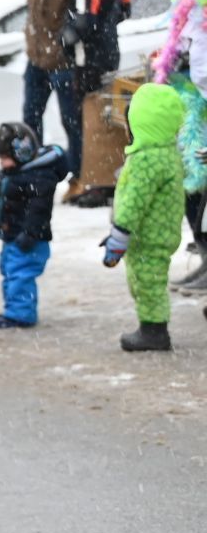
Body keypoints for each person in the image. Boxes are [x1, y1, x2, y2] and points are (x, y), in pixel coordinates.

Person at [101, 82, 186, 352]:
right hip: (157, 232)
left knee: (148, 283)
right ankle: (151, 325)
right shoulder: (167, 154)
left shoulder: (147, 159)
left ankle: (154, 332)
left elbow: (134, 202)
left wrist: (119, 233)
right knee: (147, 280)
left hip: (147, 234)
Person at [64, 0, 130, 203]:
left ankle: (98, 181)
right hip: (109, 49)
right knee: (104, 114)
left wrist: (69, 35)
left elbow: (87, 18)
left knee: (90, 117)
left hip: (89, 55)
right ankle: (105, 179)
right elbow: (125, 8)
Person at [0, 121, 68, 329]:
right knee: (9, 272)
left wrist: (30, 234)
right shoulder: (13, 174)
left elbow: (39, 212)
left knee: (20, 275)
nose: (2, 163)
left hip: (29, 240)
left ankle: (21, 315)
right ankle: (15, 309)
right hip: (12, 236)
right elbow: (0, 204)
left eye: (5, 158)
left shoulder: (39, 178)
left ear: (22, 153)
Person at [21, 0, 78, 180]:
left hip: (60, 58)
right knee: (30, 118)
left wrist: (60, 44)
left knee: (71, 121)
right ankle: (33, 169)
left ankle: (78, 173)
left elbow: (54, 15)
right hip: (36, 56)